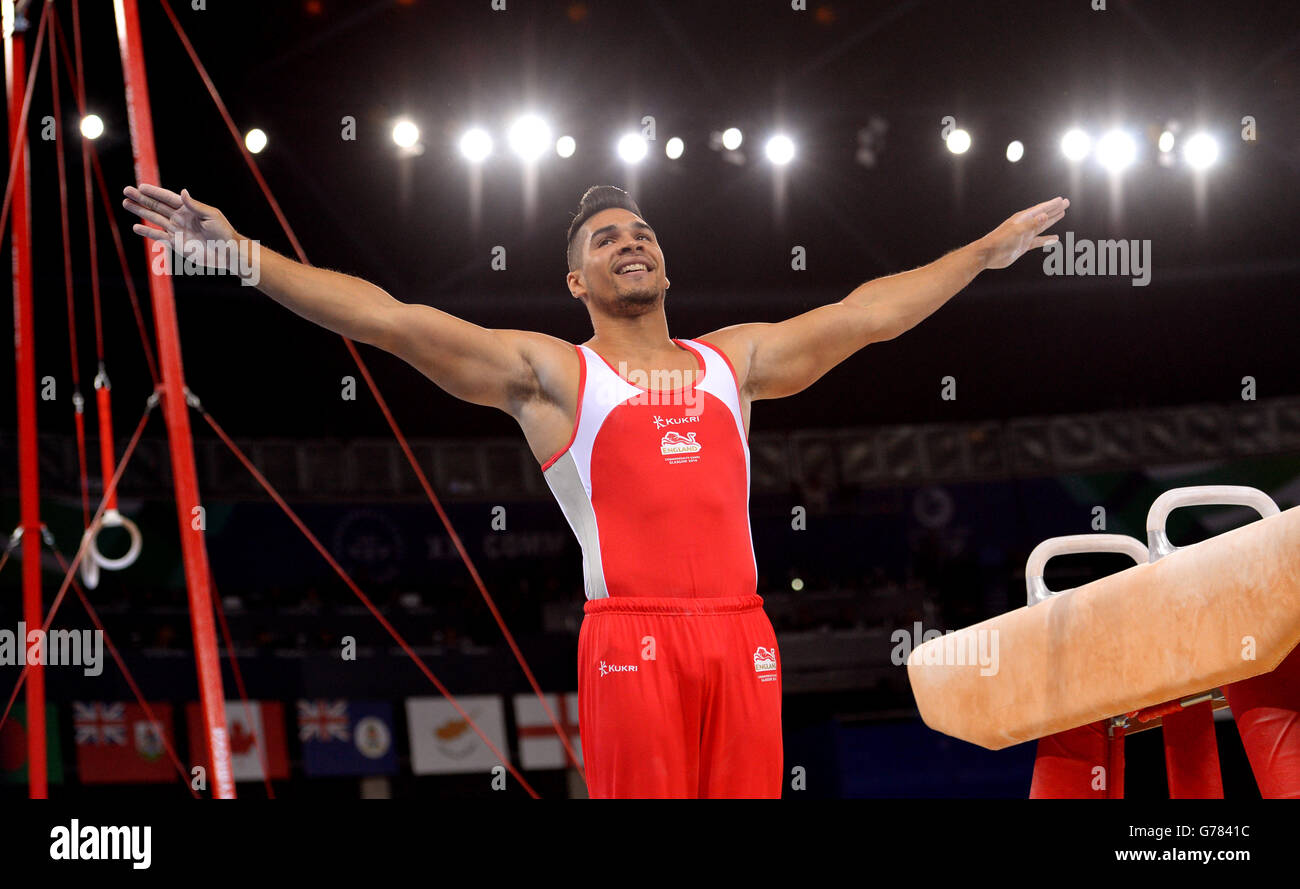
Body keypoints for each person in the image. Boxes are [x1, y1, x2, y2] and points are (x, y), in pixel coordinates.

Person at [122, 182, 1067, 797]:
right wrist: (242, 253)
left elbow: (869, 314)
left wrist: (984, 249)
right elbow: (392, 320)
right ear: (574, 278)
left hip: (746, 633)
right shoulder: (554, 375)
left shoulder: (732, 360)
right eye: (607, 237)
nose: (632, 241)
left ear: (666, 264)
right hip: (633, 638)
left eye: (644, 232)